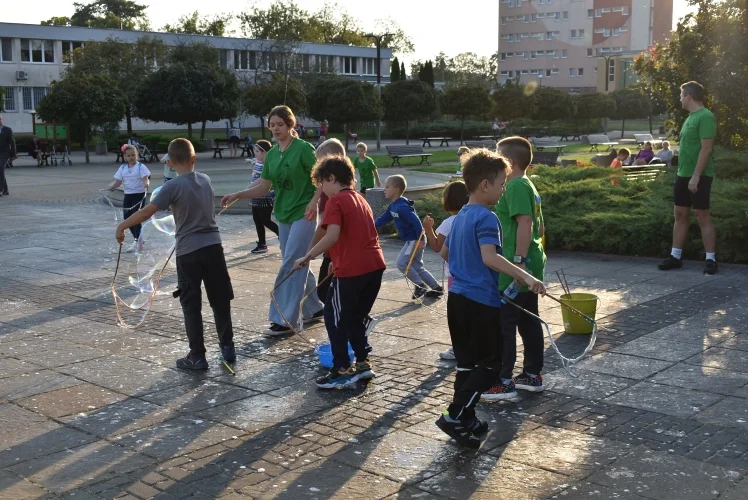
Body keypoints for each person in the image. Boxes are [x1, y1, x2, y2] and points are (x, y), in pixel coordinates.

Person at [435, 148, 546, 449]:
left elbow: (445, 254)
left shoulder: (459, 219)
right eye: (501, 184)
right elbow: (490, 257)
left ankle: (466, 418)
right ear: (485, 185)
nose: (503, 189)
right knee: (491, 365)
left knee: (467, 365)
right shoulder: (487, 217)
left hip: (456, 300)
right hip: (479, 303)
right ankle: (456, 413)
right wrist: (526, 277)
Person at [116, 139, 235, 370]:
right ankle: (228, 348)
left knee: (191, 304)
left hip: (189, 252)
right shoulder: (206, 180)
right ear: (194, 159)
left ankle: (197, 356)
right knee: (220, 299)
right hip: (214, 248)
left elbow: (147, 211)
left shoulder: (172, 187)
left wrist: (122, 226)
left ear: (169, 163)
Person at [221, 105, 325, 336]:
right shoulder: (273, 155)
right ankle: (315, 308)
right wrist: (238, 194)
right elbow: (263, 187)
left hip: (303, 213)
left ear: (291, 125)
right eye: (272, 125)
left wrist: (314, 202)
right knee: (297, 262)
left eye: (280, 124)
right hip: (284, 214)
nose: (276, 128)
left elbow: (322, 179)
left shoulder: (304, 149)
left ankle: (285, 319)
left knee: (291, 262)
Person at [293, 156, 386, 389]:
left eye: (322, 184)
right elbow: (357, 235)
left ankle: (342, 368)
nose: (322, 190)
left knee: (334, 319)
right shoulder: (360, 200)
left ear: (331, 178)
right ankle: (363, 363)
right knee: (354, 316)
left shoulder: (335, 201)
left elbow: (331, 235)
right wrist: (336, 258)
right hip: (374, 267)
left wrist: (308, 256)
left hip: (352, 271)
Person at [484, 137, 547, 400]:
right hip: (528, 265)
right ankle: (532, 375)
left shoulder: (515, 186)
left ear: (509, 163)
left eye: (498, 157)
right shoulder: (527, 184)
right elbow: (540, 227)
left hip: (515, 267)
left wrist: (520, 262)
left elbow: (526, 224)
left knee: (505, 324)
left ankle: (503, 380)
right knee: (528, 320)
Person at [659, 81, 718, 275]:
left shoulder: (706, 116)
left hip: (698, 175)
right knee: (680, 214)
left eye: (681, 96)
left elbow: (706, 149)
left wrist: (696, 176)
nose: (680, 99)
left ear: (688, 97)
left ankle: (711, 259)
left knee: (702, 215)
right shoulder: (690, 117)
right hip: (683, 175)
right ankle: (675, 256)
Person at [422, 181, 470, 361]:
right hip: (472, 273)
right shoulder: (471, 218)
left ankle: (458, 348)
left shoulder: (449, 223)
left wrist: (428, 229)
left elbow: (436, 246)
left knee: (456, 314)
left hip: (454, 275)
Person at [375, 175, 443, 300]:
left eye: (387, 187)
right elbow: (383, 219)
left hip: (415, 240)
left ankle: (420, 286)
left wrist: (419, 239)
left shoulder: (402, 206)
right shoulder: (393, 206)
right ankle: (436, 288)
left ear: (396, 190)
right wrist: (370, 226)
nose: (384, 189)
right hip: (413, 240)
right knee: (417, 266)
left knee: (401, 263)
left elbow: (416, 222)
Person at [313, 138, 346, 303]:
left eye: (321, 162)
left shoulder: (335, 199)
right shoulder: (345, 192)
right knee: (328, 294)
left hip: (337, 253)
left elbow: (326, 229)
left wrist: (310, 251)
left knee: (327, 294)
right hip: (336, 253)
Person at [107, 145, 150, 252]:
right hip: (128, 195)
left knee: (135, 218)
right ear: (125, 157)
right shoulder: (123, 168)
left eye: (133, 155)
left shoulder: (141, 167)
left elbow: (145, 178)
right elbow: (118, 181)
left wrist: (146, 184)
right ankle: (138, 238)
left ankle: (137, 240)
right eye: (129, 155)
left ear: (137, 156)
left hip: (139, 195)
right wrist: (112, 187)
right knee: (127, 219)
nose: (131, 157)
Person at [249, 140, 279, 254]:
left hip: (266, 198)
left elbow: (262, 180)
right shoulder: (258, 162)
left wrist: (249, 187)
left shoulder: (269, 164)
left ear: (264, 152)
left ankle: (282, 235)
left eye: (257, 151)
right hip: (256, 197)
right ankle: (262, 244)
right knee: (257, 220)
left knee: (265, 220)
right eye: (254, 151)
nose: (255, 153)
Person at [0, 115, 16, 197]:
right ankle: (5, 190)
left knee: (1, 169)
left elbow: (12, 143)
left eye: (0, 119)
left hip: (4, 153)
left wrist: (13, 155)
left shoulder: (7, 129)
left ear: (2, 120)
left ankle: (1, 190)